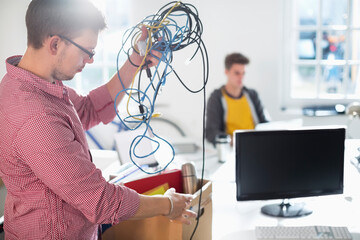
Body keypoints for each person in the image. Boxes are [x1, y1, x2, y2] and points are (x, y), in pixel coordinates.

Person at [0, 0, 196, 239]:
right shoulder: (36, 116)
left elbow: (90, 108)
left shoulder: (34, 83)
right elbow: (99, 201)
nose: (91, 60)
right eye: (87, 51)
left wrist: (135, 59)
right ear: (55, 44)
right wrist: (169, 205)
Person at [206, 52, 269, 145]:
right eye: (237, 73)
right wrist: (235, 141)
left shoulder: (252, 95)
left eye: (243, 73)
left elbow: (265, 124)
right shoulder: (216, 98)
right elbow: (211, 132)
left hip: (256, 145)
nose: (241, 77)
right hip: (231, 148)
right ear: (226, 72)